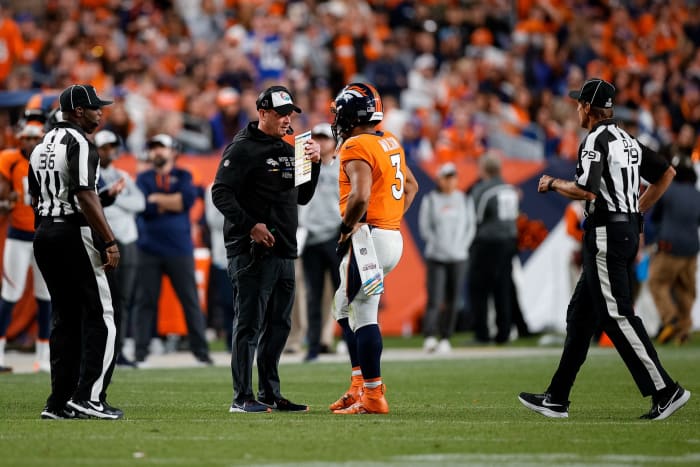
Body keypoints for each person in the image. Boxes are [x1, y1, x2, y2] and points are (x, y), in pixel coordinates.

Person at [519, 78, 690, 421]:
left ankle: (665, 390)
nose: (577, 109)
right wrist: (637, 209)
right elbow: (666, 172)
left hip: (606, 234)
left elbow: (586, 189)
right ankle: (557, 397)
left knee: (616, 315)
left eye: (579, 104)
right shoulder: (627, 139)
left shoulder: (596, 139)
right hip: (623, 230)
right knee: (580, 318)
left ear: (587, 107)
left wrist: (552, 183)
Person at [212, 85, 321, 413]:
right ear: (262, 113)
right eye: (280, 113)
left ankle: (269, 391)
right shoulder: (242, 148)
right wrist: (250, 225)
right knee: (249, 323)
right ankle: (241, 396)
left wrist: (314, 164)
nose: (287, 119)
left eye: (290, 113)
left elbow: (302, 197)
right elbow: (220, 193)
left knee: (279, 325)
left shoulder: (290, 149)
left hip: (285, 249)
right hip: (251, 251)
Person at [29, 84, 123, 419]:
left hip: (43, 232)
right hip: (72, 231)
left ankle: (58, 402)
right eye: (95, 107)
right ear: (79, 111)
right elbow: (85, 194)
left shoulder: (41, 145)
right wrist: (109, 240)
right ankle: (89, 397)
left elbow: (33, 198)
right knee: (103, 317)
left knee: (65, 319)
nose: (101, 112)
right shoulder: (81, 143)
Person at [329, 82, 418, 415]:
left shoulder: (356, 145)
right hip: (388, 237)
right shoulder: (389, 140)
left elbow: (361, 195)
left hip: (369, 238)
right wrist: (390, 220)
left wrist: (346, 228)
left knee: (362, 313)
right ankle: (358, 387)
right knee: (342, 307)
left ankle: (373, 395)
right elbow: (411, 186)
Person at [131, 133, 213, 366]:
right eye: (154, 147)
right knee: (146, 302)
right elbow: (143, 206)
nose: (157, 152)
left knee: (190, 301)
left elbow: (185, 201)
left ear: (172, 152)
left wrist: (158, 200)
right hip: (149, 248)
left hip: (179, 248)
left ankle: (201, 351)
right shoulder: (144, 177)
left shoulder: (184, 175)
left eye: (162, 147)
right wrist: (168, 202)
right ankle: (140, 352)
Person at [0, 122, 52, 373]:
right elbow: (4, 193)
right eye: (27, 139)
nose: (31, 143)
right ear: (20, 139)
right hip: (19, 236)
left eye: (36, 139)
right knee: (11, 294)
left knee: (46, 297)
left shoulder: (50, 161)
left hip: (44, 237)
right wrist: (5, 200)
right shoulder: (10, 160)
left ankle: (43, 357)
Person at [94, 129, 145, 367]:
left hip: (127, 239)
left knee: (123, 299)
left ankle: (119, 350)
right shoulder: (92, 176)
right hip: (104, 241)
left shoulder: (122, 174)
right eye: (104, 147)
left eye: (111, 147)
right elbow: (96, 207)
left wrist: (113, 199)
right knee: (106, 301)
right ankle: (104, 350)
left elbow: (140, 203)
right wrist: (108, 197)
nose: (109, 152)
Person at [418, 162, 474, 353]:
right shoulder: (431, 200)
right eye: (446, 177)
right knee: (435, 298)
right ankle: (430, 335)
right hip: (437, 257)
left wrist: (461, 246)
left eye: (453, 177)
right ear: (439, 179)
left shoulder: (464, 199)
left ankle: (446, 337)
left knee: (453, 298)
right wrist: (439, 246)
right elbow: (426, 229)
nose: (450, 181)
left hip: (459, 257)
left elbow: (470, 227)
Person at [299, 122, 342, 362]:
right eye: (316, 138)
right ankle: (313, 345)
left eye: (324, 138)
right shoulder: (304, 169)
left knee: (344, 293)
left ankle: (349, 340)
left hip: (335, 236)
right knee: (313, 296)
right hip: (310, 238)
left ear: (334, 142)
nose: (320, 142)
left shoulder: (341, 168)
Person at [468, 152, 520, 344]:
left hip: (488, 243)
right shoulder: (509, 188)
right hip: (509, 241)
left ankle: (482, 333)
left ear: (484, 169)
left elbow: (475, 218)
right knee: (503, 287)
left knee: (478, 287)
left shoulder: (484, 190)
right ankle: (504, 332)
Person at [648, 154, 700, 345]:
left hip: (669, 247)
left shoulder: (667, 190)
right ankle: (685, 329)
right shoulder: (697, 194)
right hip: (692, 249)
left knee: (657, 282)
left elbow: (655, 217)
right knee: (685, 289)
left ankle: (671, 319)